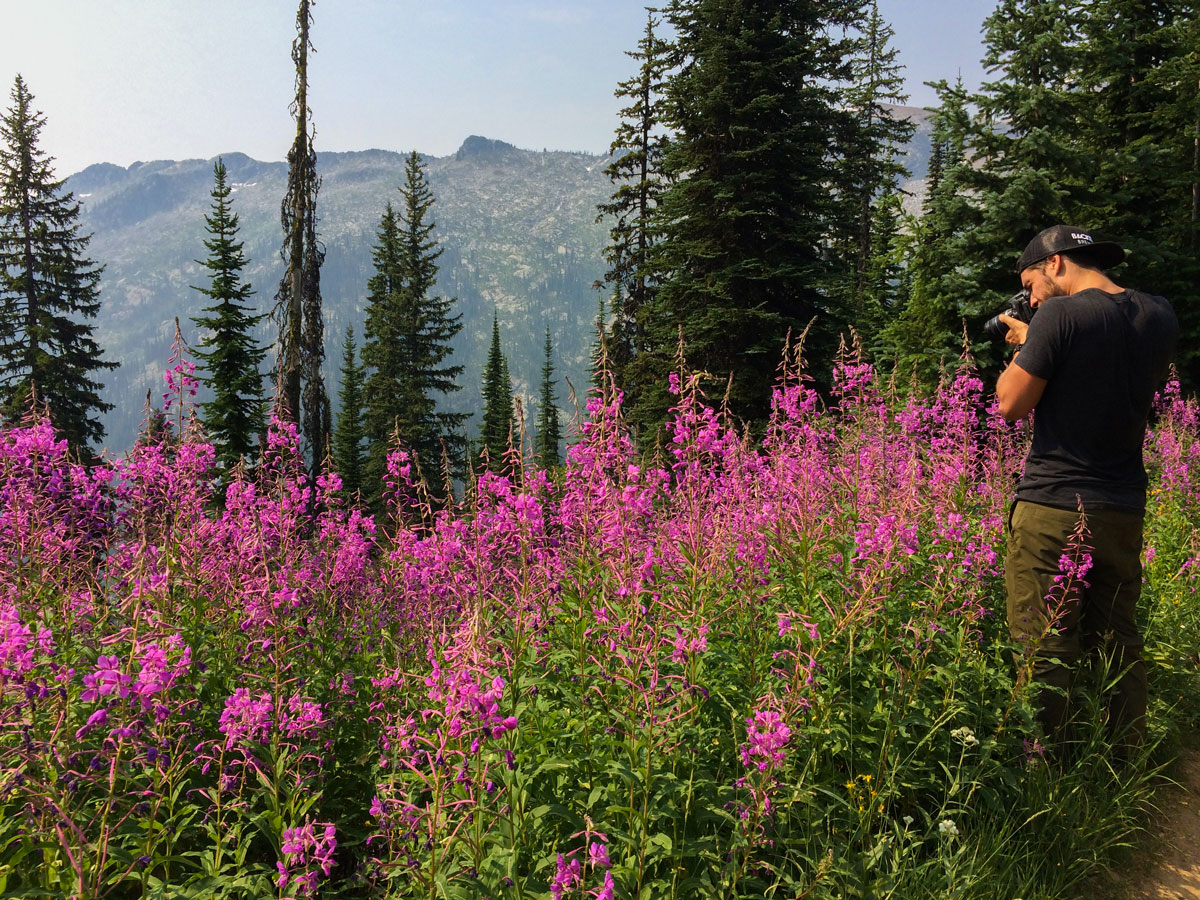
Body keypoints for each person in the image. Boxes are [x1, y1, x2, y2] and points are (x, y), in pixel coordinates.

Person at [994, 224, 1178, 752]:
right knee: (1119, 637)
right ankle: (1123, 760)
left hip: (1054, 503)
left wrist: (1024, 345)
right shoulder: (1158, 313)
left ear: (1056, 263)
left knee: (1044, 644)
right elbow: (1100, 366)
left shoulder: (1059, 315)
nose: (1030, 298)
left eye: (1031, 283)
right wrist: (1042, 340)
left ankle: (1043, 771)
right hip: (1123, 504)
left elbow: (1011, 404)